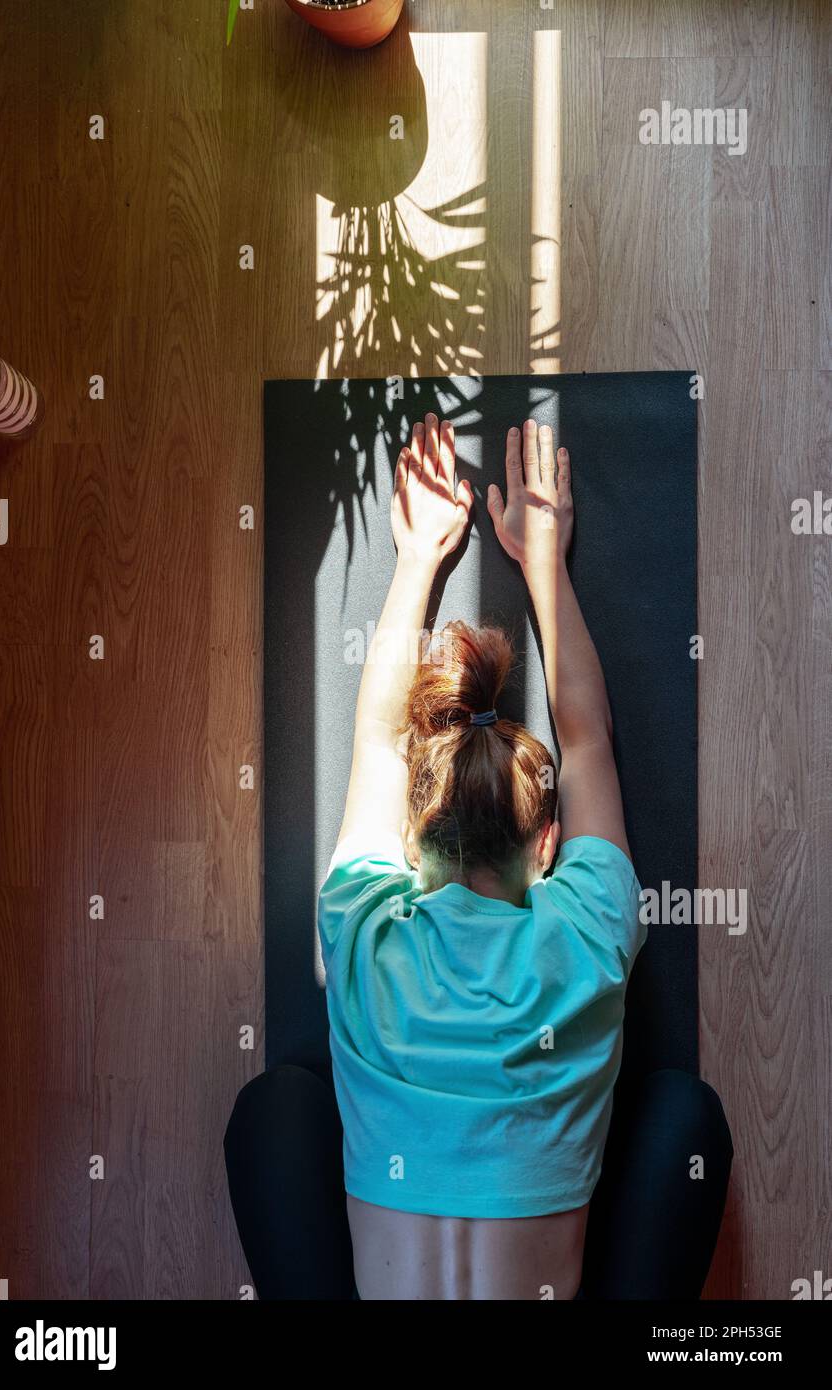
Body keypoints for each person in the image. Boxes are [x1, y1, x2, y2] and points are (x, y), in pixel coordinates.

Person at [225, 414, 732, 1300]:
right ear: (548, 846)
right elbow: (588, 743)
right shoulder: (558, 931)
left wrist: (420, 560)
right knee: (685, 1114)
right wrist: (546, 564)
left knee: (273, 1109)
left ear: (414, 838)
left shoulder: (370, 929)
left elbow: (387, 741)